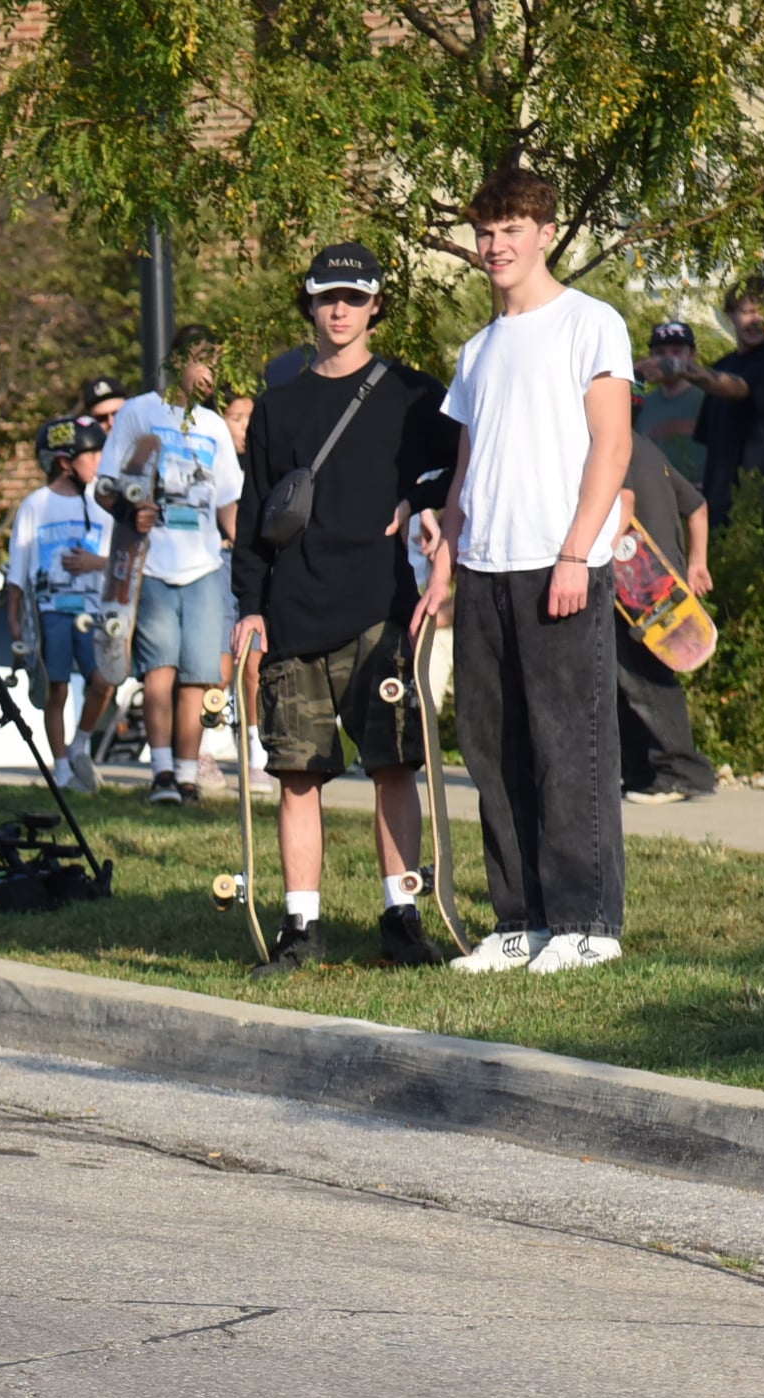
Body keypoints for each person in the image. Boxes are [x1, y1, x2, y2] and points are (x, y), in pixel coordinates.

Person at [417, 167, 637, 975]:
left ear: (545, 234)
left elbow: (612, 447)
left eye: (512, 228)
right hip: (483, 567)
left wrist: (578, 550)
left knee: (569, 742)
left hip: (561, 560)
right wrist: (444, 561)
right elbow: (466, 471)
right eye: (485, 231)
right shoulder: (477, 349)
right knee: (492, 745)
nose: (495, 245)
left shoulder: (591, 324)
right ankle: (521, 922)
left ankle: (588, 923)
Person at [229, 241, 465, 973]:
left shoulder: (413, 394)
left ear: (376, 306)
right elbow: (253, 512)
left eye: (355, 298)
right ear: (309, 302)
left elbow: (457, 468)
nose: (340, 310)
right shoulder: (278, 405)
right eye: (328, 296)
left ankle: (403, 915)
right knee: (298, 773)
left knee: (394, 764)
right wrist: (249, 606)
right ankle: (302, 926)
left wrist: (419, 498)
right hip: (294, 611)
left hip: (381, 610)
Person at [96, 324, 246, 805]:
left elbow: (228, 503)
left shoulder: (215, 426)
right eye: (202, 361)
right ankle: (160, 772)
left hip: (203, 566)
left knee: (201, 676)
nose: (209, 373)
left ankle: (186, 774)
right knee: (158, 670)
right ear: (178, 361)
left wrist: (252, 554)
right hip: (152, 563)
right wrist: (128, 510)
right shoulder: (140, 412)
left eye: (215, 363)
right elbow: (104, 485)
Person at [5, 417, 111, 789]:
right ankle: (62, 767)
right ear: (65, 462)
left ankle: (80, 743)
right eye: (92, 453)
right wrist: (15, 619)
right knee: (58, 688)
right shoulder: (36, 505)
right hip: (51, 612)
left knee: (103, 680)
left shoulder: (103, 504)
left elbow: (120, 561)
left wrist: (93, 563)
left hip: (92, 611)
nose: (99, 460)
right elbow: (18, 569)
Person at [613, 430, 719, 806]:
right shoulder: (648, 448)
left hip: (640, 583)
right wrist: (696, 563)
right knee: (624, 678)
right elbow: (698, 505)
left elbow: (623, 504)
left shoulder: (609, 442)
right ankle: (642, 772)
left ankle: (680, 772)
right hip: (663, 578)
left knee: (644, 679)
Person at [694, 282, 764, 533]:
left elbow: (739, 388)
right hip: (719, 504)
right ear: (730, 314)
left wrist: (681, 369)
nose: (756, 319)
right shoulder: (721, 366)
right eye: (747, 311)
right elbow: (706, 442)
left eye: (763, 312)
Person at [634, 319, 710, 483]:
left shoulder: (708, 400)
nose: (667, 360)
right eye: (660, 353)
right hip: (658, 499)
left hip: (701, 497)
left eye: (676, 352)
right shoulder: (643, 405)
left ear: (692, 355)